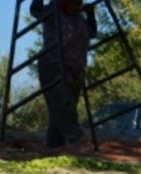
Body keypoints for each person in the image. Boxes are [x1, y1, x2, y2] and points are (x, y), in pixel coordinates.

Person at [29, 0, 97, 149]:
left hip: (76, 68)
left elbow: (91, 33)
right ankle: (73, 134)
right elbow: (35, 10)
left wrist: (90, 13)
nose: (77, 5)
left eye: (79, 2)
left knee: (65, 106)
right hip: (54, 65)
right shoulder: (53, 11)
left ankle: (54, 146)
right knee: (61, 104)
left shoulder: (79, 18)